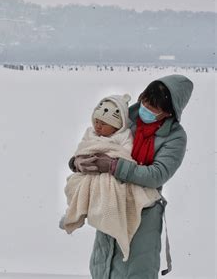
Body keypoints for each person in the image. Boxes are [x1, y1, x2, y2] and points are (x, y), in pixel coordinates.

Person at [71, 75, 193, 278]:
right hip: (110, 201)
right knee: (103, 267)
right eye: (144, 99)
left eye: (153, 107)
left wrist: (113, 166)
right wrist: (76, 162)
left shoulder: (175, 137)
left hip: (143, 212)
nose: (144, 107)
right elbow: (96, 143)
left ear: (169, 111)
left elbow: (157, 174)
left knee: (134, 270)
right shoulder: (125, 119)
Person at [60, 94, 161, 262]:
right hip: (89, 170)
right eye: (96, 122)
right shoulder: (91, 133)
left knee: (109, 190)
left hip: (110, 174)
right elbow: (83, 148)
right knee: (74, 184)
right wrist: (79, 160)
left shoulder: (124, 136)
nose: (98, 127)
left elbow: (126, 155)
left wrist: (109, 160)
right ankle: (73, 213)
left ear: (116, 126)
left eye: (103, 124)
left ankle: (111, 220)